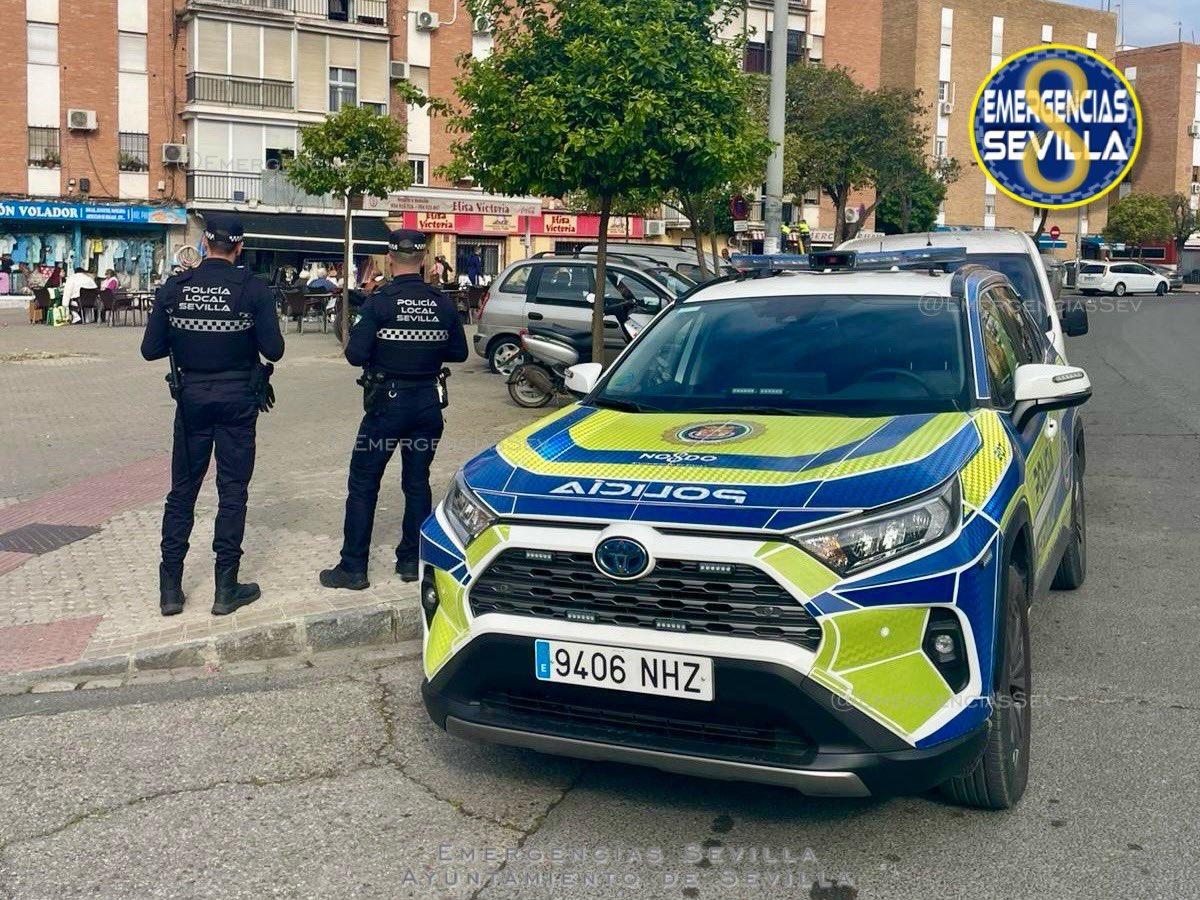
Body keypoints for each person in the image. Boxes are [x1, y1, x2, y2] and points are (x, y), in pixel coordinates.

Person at [141, 213, 285, 617]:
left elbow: (150, 350)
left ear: (205, 243)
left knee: (181, 492)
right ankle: (226, 588)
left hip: (191, 401)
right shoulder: (253, 290)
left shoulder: (176, 287)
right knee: (232, 491)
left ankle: (170, 588)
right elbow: (273, 351)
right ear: (240, 247)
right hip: (239, 398)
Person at [320, 229, 468, 589]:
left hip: (387, 408)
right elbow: (460, 353)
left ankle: (353, 567)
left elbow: (356, 355)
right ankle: (410, 561)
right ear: (425, 260)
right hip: (427, 406)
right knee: (417, 482)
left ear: (390, 258)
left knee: (364, 482)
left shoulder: (381, 301)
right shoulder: (441, 301)